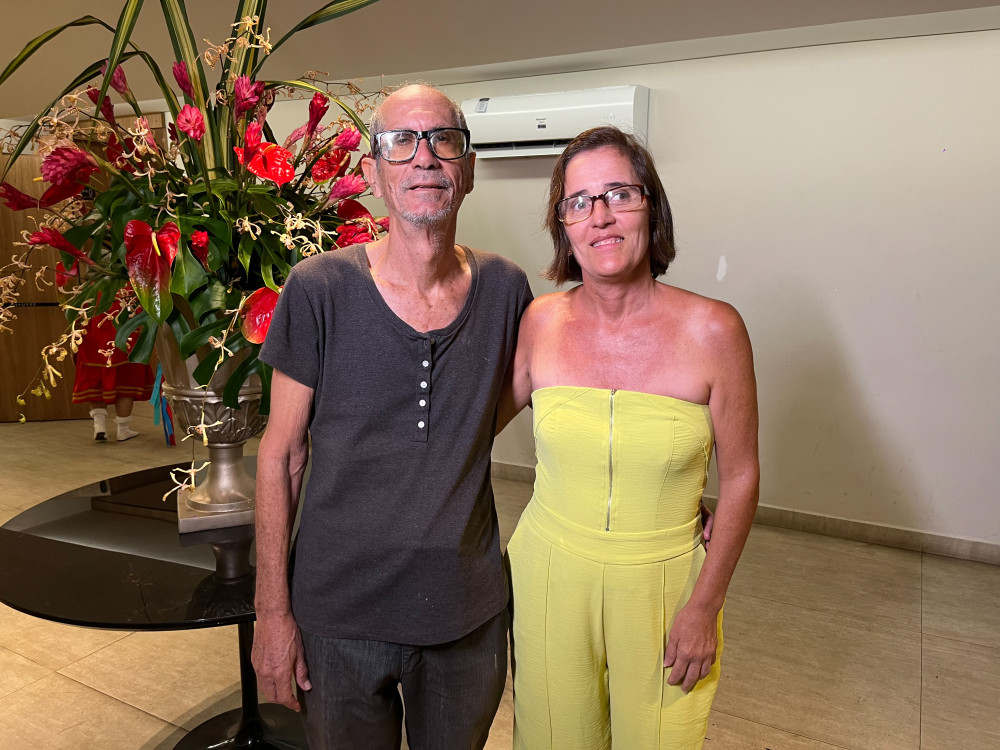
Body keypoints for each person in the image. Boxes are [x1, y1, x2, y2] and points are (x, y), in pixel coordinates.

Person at [251, 84, 533, 750]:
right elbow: (281, 455)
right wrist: (271, 614)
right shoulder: (318, 288)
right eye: (400, 142)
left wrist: (658, 486)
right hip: (337, 617)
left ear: (468, 169)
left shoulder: (506, 290)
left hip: (465, 615)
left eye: (443, 140)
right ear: (373, 174)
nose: (424, 157)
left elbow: (569, 379)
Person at [499, 126, 759, 749]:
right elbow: (468, 431)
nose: (601, 216)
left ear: (652, 206)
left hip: (665, 584)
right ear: (563, 225)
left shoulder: (715, 330)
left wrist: (705, 606)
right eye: (579, 202)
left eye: (620, 193)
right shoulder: (541, 321)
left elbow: (742, 476)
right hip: (549, 575)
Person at [71, 299, 154, 442]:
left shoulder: (89, 290)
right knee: (125, 384)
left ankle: (99, 427)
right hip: (124, 335)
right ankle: (123, 429)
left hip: (93, 335)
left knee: (95, 383)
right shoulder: (127, 288)